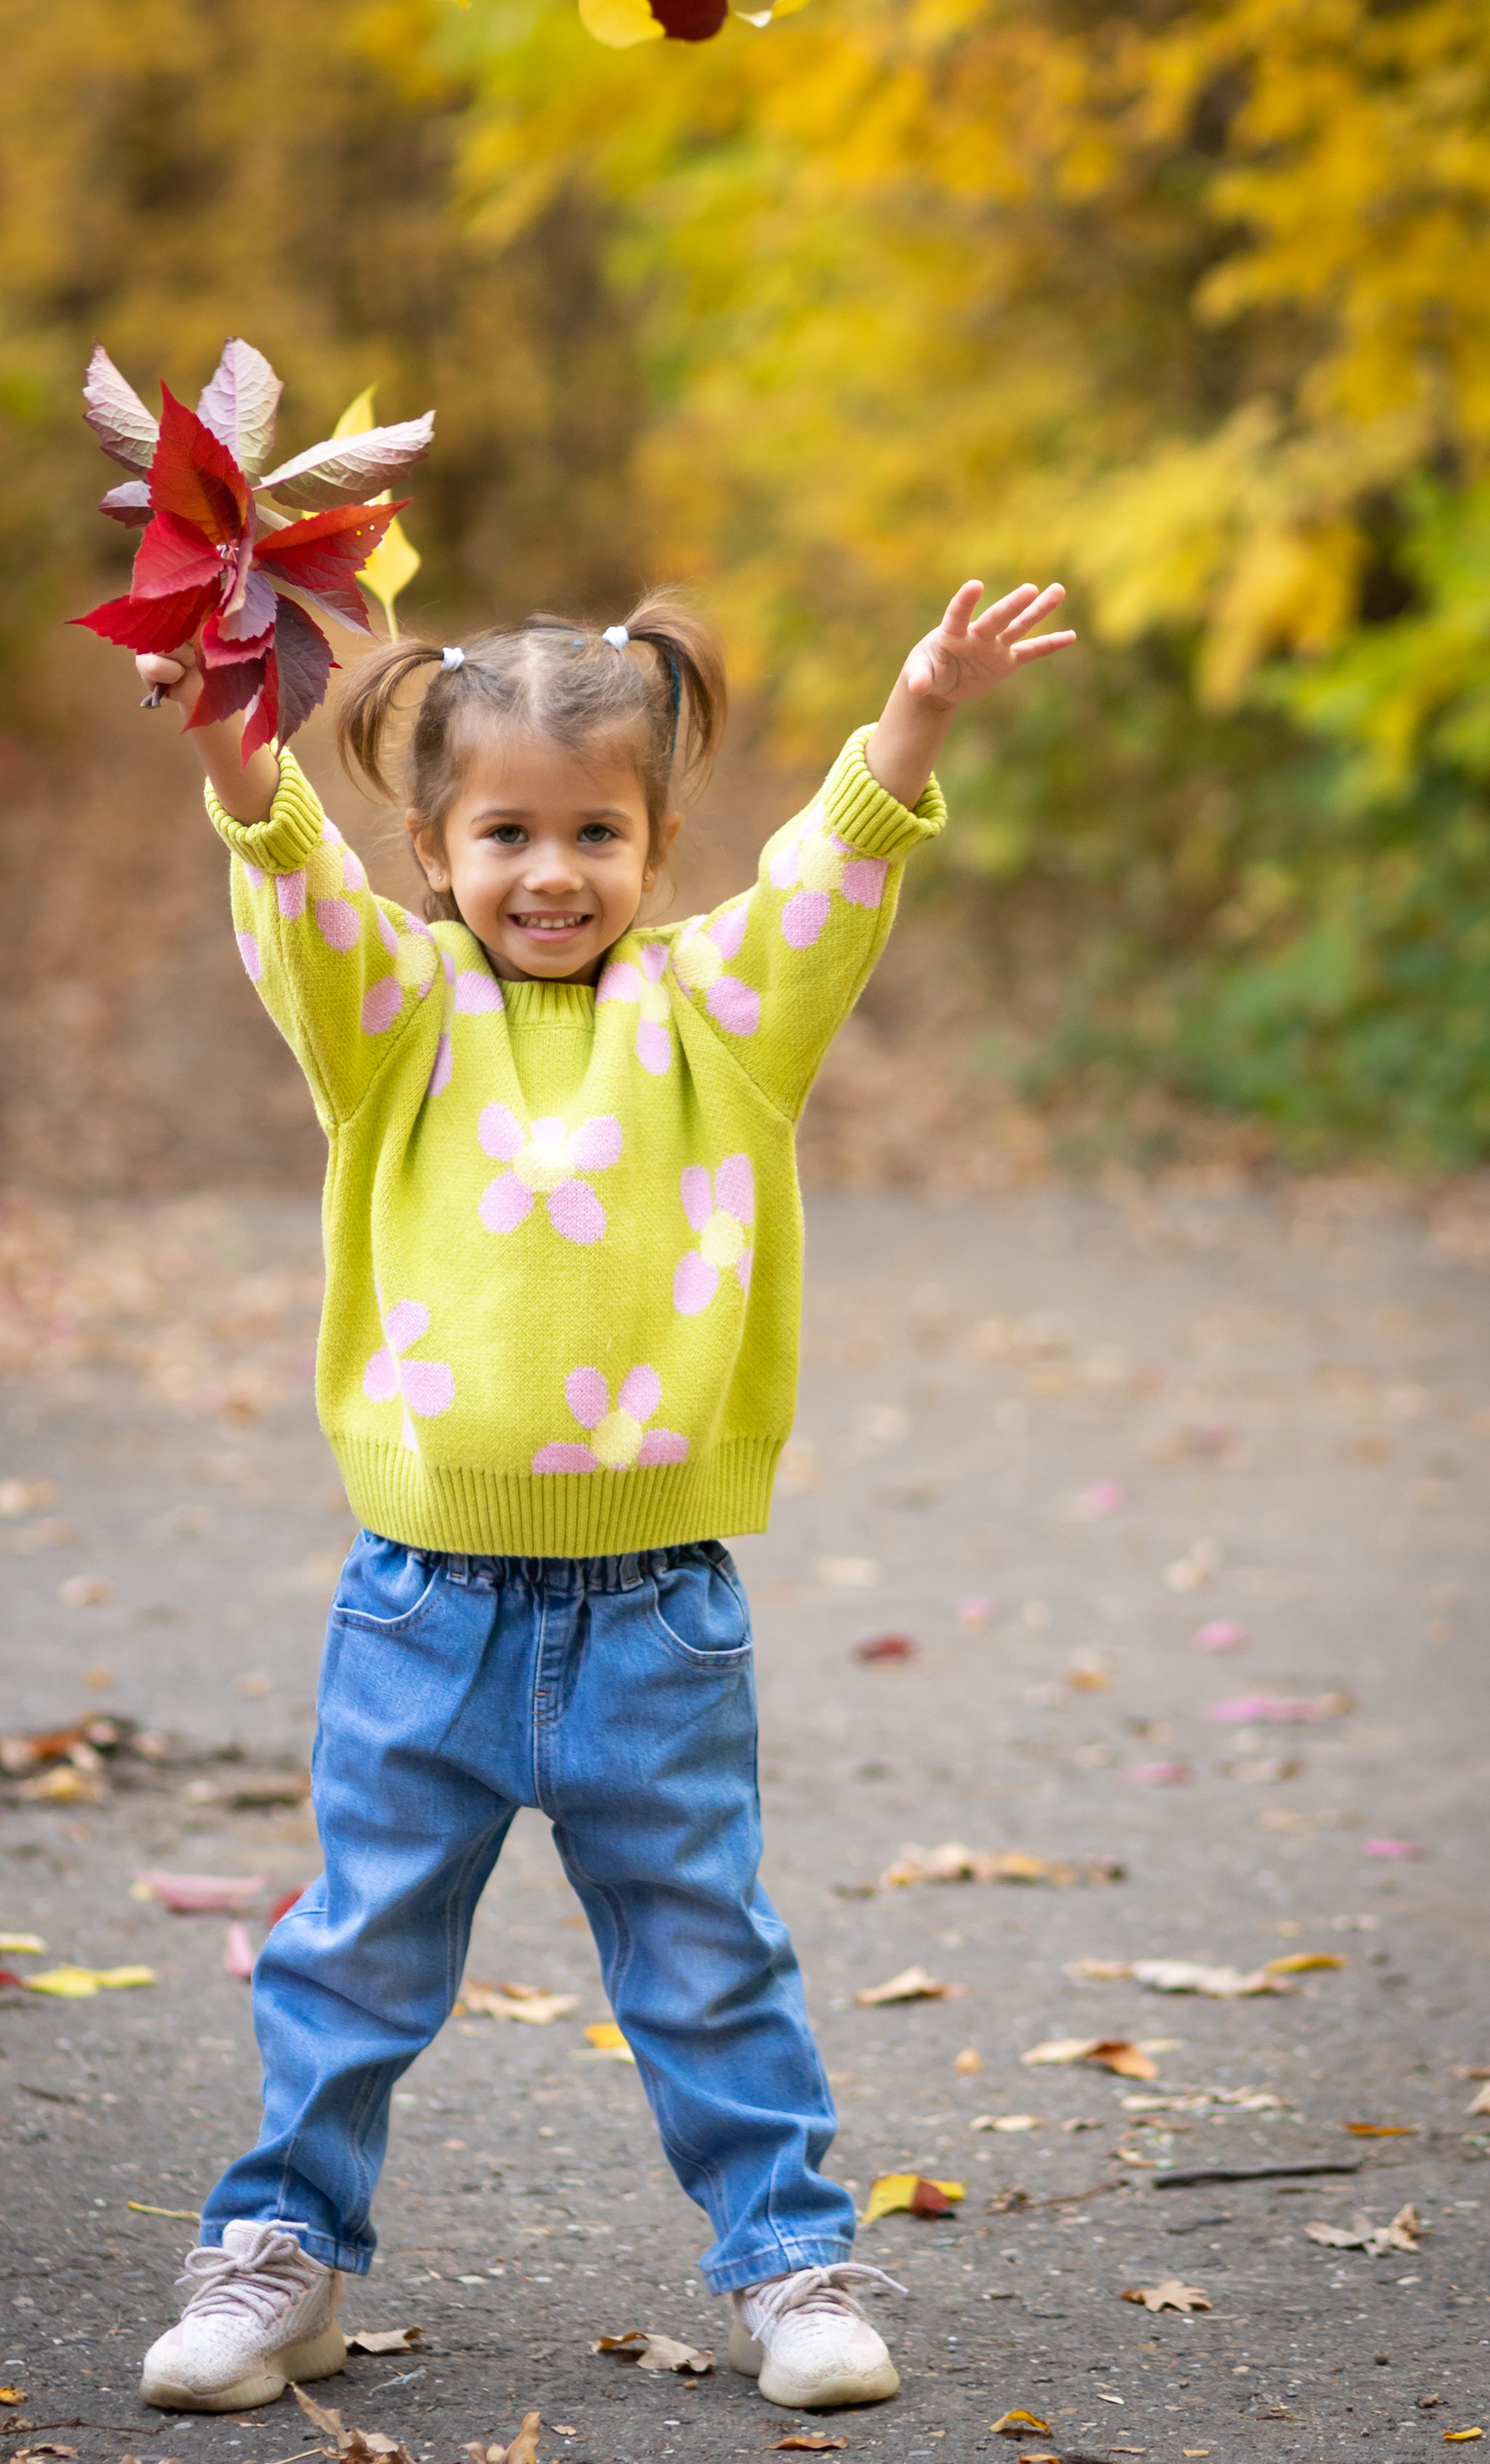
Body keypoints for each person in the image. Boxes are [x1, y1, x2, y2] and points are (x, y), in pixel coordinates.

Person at [131, 578, 1073, 2417]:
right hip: (424, 1609)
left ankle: (789, 2261)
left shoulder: (718, 1014)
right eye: (504, 833)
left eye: (595, 831)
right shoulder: (390, 1020)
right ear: (432, 843)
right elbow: (295, 885)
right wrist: (229, 739)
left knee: (709, 1957)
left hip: (657, 1611)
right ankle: (284, 2257)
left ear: (654, 841)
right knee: (354, 1958)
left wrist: (919, 711)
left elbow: (828, 882)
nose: (549, 872)